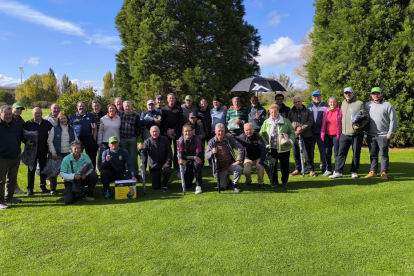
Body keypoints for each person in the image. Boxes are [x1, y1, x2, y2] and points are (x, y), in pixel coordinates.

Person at [330, 87, 370, 179]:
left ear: (353, 93)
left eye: (349, 93)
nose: (348, 94)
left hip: (356, 134)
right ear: (344, 94)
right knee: (341, 153)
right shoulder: (343, 103)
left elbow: (366, 117)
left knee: (356, 153)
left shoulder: (359, 103)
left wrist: (360, 126)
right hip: (344, 133)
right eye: (346, 93)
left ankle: (354, 171)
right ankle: (338, 171)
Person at [364, 87, 397, 180]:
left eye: (377, 93)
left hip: (383, 135)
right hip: (371, 134)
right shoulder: (368, 105)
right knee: (373, 154)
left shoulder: (387, 105)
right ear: (371, 95)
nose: (375, 95)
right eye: (374, 93)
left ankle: (384, 172)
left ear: (381, 94)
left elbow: (393, 120)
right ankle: (373, 172)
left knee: (384, 155)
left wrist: (389, 134)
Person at [260, 104, 295, 188]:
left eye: (275, 112)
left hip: (284, 148)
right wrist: (266, 144)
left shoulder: (286, 121)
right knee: (273, 166)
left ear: (278, 111)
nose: (273, 114)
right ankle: (274, 182)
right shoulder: (266, 122)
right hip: (272, 149)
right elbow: (261, 133)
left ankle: (284, 182)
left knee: (285, 166)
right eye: (271, 112)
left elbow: (292, 132)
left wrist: (290, 141)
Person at [22, 107, 53, 195]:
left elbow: (54, 131)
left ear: (41, 114)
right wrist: (26, 141)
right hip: (31, 151)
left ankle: (43, 185)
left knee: (43, 169)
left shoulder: (46, 123)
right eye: (36, 113)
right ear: (33, 114)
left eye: (39, 113)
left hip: (43, 150)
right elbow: (22, 135)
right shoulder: (28, 123)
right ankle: (30, 188)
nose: (37, 114)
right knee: (31, 169)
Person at [205, 123, 244, 193]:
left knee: (239, 169)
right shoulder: (211, 142)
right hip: (220, 168)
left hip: (231, 164)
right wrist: (212, 152)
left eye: (222, 131)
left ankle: (235, 185)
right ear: (215, 132)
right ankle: (227, 179)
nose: (221, 133)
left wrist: (238, 160)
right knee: (222, 187)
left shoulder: (229, 138)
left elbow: (240, 147)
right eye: (219, 131)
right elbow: (206, 156)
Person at [47, 112, 78, 195]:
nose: (63, 120)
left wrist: (73, 152)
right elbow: (50, 141)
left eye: (64, 118)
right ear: (59, 120)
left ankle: (68, 189)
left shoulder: (72, 129)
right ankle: (53, 189)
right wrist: (53, 152)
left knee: (68, 172)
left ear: (67, 119)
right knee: (54, 172)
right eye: (61, 119)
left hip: (68, 154)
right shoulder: (54, 128)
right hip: (57, 154)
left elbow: (76, 141)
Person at [0, 105, 23, 209]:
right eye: (6, 114)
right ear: (1, 114)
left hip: (15, 156)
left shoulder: (14, 124)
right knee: (1, 181)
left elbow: (17, 137)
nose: (9, 116)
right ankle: (1, 201)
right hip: (2, 157)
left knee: (12, 179)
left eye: (10, 114)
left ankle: (9, 197)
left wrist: (17, 150)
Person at [288, 96, 316, 177]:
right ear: (294, 103)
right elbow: (288, 122)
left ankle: (310, 170)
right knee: (296, 154)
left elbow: (310, 121)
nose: (297, 103)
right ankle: (298, 169)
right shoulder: (291, 112)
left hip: (306, 135)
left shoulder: (307, 111)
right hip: (295, 136)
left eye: (298, 101)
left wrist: (302, 128)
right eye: (295, 102)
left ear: (301, 101)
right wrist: (296, 129)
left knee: (308, 154)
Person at [138, 126, 172, 191]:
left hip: (164, 164)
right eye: (153, 132)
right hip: (154, 166)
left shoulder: (165, 139)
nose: (155, 133)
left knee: (167, 171)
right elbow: (143, 155)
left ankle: (164, 184)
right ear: (150, 133)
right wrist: (140, 150)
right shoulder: (147, 142)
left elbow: (169, 152)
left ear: (159, 132)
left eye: (156, 131)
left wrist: (167, 162)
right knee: (155, 187)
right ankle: (159, 182)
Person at [234, 123, 267, 189]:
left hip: (258, 157)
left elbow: (263, 150)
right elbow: (234, 138)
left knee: (260, 168)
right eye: (247, 130)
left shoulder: (258, 137)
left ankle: (261, 183)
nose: (248, 131)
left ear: (253, 129)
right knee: (246, 171)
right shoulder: (242, 137)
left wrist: (260, 162)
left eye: (250, 129)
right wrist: (230, 135)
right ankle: (248, 180)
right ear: (244, 130)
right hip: (248, 158)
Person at [70, 101, 98, 169]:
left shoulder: (91, 116)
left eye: (83, 106)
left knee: (91, 157)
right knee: (77, 157)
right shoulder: (73, 116)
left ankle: (92, 172)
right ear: (77, 107)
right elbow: (70, 128)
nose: (81, 107)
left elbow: (95, 128)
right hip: (78, 140)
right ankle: (77, 173)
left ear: (86, 107)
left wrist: (94, 138)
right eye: (80, 106)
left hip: (89, 139)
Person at [177, 125, 204, 194]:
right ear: (183, 132)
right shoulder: (180, 141)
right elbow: (182, 155)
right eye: (186, 131)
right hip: (187, 162)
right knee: (187, 185)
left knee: (196, 164)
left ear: (192, 131)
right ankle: (191, 176)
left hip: (196, 161)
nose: (188, 133)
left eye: (189, 131)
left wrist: (193, 158)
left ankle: (198, 185)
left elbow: (198, 155)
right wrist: (192, 158)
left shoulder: (197, 140)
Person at [320, 96, 342, 176]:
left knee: (337, 153)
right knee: (327, 153)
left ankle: (336, 170)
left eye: (334, 102)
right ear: (328, 103)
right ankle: (328, 169)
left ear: (336, 102)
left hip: (337, 135)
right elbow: (323, 124)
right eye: (331, 102)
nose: (332, 103)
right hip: (327, 135)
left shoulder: (340, 111)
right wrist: (322, 133)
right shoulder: (326, 112)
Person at [161, 93, 183, 172]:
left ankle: (177, 167)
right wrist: (167, 131)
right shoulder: (163, 109)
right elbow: (162, 122)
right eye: (170, 98)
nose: (171, 100)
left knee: (177, 150)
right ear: (167, 99)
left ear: (175, 100)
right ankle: (167, 166)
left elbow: (181, 121)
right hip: (166, 133)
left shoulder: (179, 109)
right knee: (167, 150)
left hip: (177, 132)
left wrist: (173, 130)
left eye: (173, 98)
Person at [307, 91, 328, 173]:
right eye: (315, 96)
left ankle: (323, 167)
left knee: (322, 151)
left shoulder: (325, 105)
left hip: (321, 132)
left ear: (321, 96)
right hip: (311, 132)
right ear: (312, 97)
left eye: (318, 96)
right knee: (310, 151)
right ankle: (311, 168)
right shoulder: (309, 106)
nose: (316, 98)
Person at [120, 100, 141, 177]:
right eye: (126, 106)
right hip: (123, 138)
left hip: (132, 138)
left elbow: (139, 127)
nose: (127, 108)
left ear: (131, 106)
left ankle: (135, 173)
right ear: (123, 107)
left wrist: (135, 136)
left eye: (128, 106)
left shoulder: (136, 115)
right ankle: (125, 172)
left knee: (133, 157)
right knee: (123, 157)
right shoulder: (120, 115)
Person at [11, 102, 26, 195]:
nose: (19, 110)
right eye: (17, 108)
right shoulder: (6, 119)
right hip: (4, 150)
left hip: (16, 149)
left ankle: (15, 188)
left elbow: (22, 135)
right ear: (12, 108)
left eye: (20, 109)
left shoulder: (21, 121)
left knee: (14, 171)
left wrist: (26, 141)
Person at [92, 100, 107, 171]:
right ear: (92, 107)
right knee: (92, 155)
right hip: (92, 138)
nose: (96, 107)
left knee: (102, 155)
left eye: (98, 105)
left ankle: (101, 169)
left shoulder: (105, 115)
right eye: (95, 106)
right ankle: (93, 170)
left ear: (100, 106)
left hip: (103, 138)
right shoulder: (90, 115)